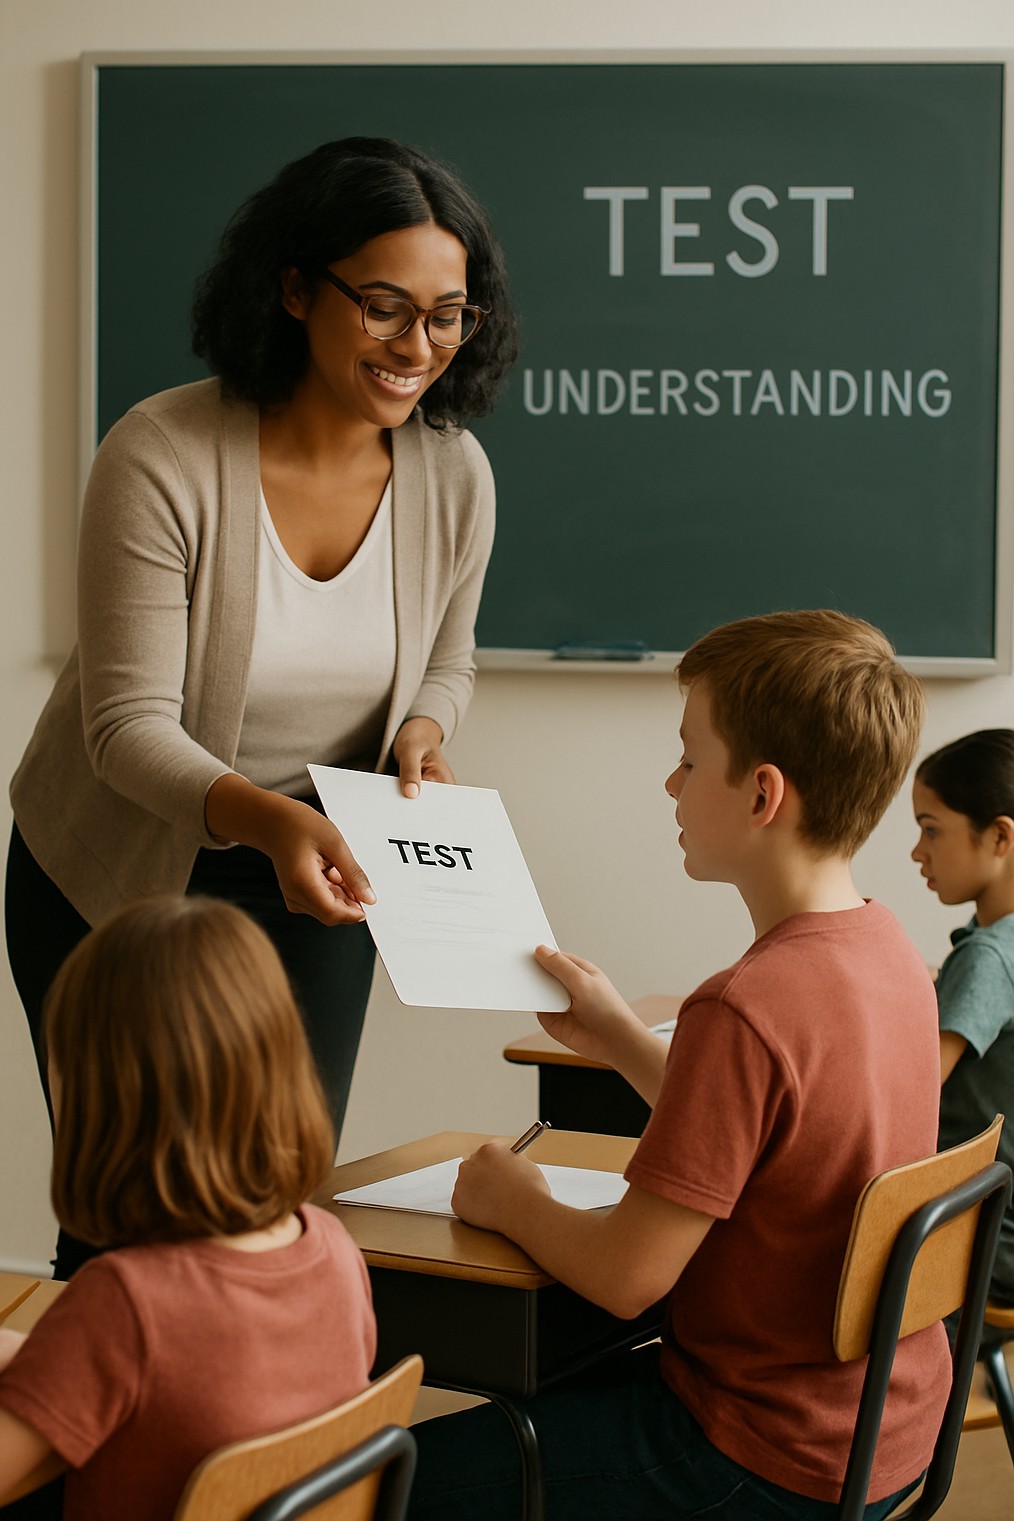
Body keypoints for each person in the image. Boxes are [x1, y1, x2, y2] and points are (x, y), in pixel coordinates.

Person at [5, 137, 518, 1276]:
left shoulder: (454, 473)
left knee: (278, 1198)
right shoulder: (162, 452)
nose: (417, 347)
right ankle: (94, 1445)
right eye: (386, 308)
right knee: (134, 1204)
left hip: (319, 866)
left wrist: (424, 730)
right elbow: (126, 729)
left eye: (448, 315)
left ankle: (253, 1456)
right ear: (295, 289)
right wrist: (271, 819)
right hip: (123, 866)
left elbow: (448, 658)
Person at [408, 609, 948, 1521]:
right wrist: (624, 1037)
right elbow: (778, 1134)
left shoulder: (748, 1002)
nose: (671, 780)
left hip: (750, 1451)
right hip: (879, 1433)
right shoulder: (887, 948)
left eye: (690, 758)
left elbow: (627, 1276)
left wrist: (511, 1195)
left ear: (761, 794)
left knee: (383, 1480)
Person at [0, 895, 376, 1521]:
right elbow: (195, 1380)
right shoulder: (333, 1250)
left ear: (98, 1102)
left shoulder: (125, 1303)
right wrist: (43, 1360)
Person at [911, 728, 1014, 1305]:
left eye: (931, 829)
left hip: (980, 1237)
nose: (917, 851)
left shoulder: (988, 959)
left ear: (999, 836)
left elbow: (914, 1090)